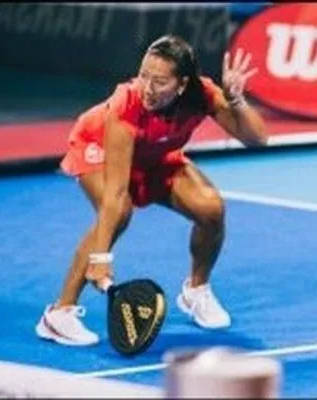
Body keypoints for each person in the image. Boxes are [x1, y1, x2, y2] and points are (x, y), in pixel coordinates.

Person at [36, 35, 268, 346]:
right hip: (98, 147)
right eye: (143, 75)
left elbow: (257, 139)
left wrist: (236, 101)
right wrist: (101, 257)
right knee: (120, 212)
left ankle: (196, 291)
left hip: (154, 157)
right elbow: (116, 192)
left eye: (159, 81)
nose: (147, 87)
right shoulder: (127, 103)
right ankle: (58, 314)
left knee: (211, 208)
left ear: (182, 84)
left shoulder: (203, 95)